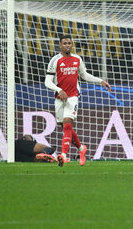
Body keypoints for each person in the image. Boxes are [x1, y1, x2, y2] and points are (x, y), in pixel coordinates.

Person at [44, 35, 112, 167]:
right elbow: (47, 81)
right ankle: (81, 148)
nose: (68, 45)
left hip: (73, 96)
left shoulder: (77, 59)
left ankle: (63, 155)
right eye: (65, 43)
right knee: (64, 127)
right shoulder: (55, 61)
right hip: (59, 98)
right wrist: (59, 90)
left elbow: (84, 75)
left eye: (69, 43)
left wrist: (100, 81)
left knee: (68, 125)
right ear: (60, 45)